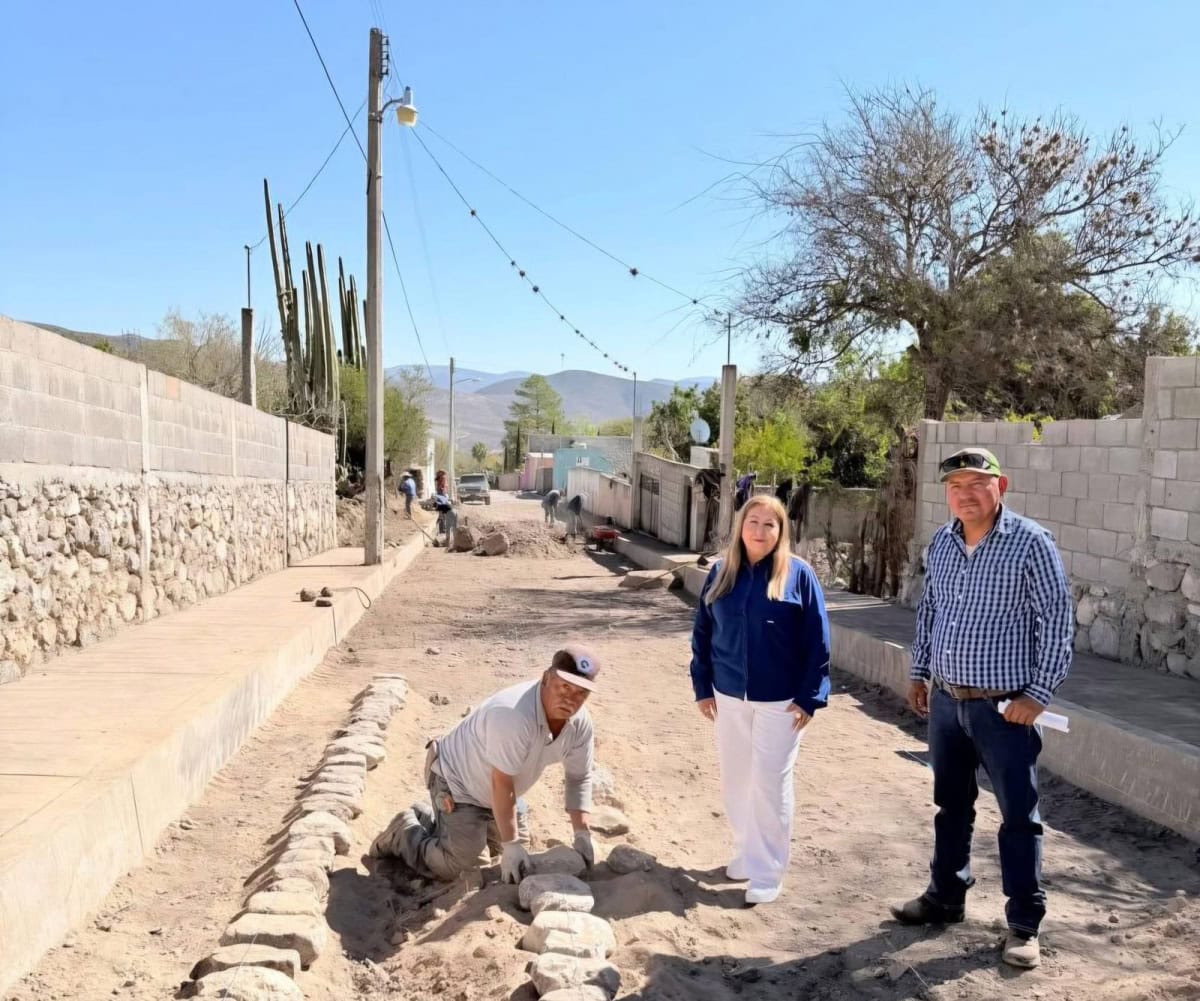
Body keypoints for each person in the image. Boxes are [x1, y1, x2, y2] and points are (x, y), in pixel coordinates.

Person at [892, 446, 1073, 970]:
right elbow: (931, 610)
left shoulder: (1031, 543)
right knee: (951, 805)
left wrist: (1038, 694)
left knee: (1019, 816)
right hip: (948, 702)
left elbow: (1057, 621)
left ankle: (1024, 925)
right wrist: (920, 672)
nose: (966, 495)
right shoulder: (943, 543)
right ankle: (945, 897)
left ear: (1001, 486)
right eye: (956, 487)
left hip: (1005, 711)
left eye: (977, 484)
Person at [690, 495, 830, 906]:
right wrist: (702, 686)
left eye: (770, 524)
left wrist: (810, 696)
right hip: (728, 696)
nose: (760, 530)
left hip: (781, 703)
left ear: (781, 531)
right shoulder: (721, 572)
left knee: (770, 783)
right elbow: (703, 633)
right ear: (741, 525)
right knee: (737, 780)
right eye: (753, 521)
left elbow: (818, 639)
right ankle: (747, 852)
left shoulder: (799, 575)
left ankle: (768, 871)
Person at [369, 646, 600, 883]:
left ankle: (433, 819)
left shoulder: (580, 725)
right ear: (546, 678)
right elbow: (501, 781)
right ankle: (403, 831)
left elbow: (579, 778)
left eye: (581, 693)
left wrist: (582, 833)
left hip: (498, 789)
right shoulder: (513, 715)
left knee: (514, 853)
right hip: (457, 781)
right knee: (464, 868)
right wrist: (511, 844)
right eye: (564, 687)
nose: (570, 699)